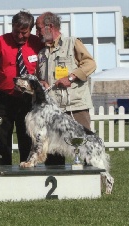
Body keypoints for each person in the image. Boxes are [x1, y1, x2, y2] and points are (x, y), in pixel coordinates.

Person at [35, 11, 96, 165]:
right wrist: (42, 83)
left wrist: (71, 77)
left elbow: (90, 64)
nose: (36, 33)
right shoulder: (42, 53)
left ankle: (91, 183)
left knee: (85, 147)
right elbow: (41, 77)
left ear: (49, 27)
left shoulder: (72, 43)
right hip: (53, 110)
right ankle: (56, 186)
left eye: (38, 28)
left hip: (76, 107)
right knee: (53, 152)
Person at [0, 10, 44, 165]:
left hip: (28, 99)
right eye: (16, 31)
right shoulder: (0, 42)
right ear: (12, 27)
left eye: (23, 33)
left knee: (27, 137)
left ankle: (27, 170)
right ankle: (4, 171)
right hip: (3, 98)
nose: (19, 36)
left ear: (30, 30)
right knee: (3, 139)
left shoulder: (36, 43)